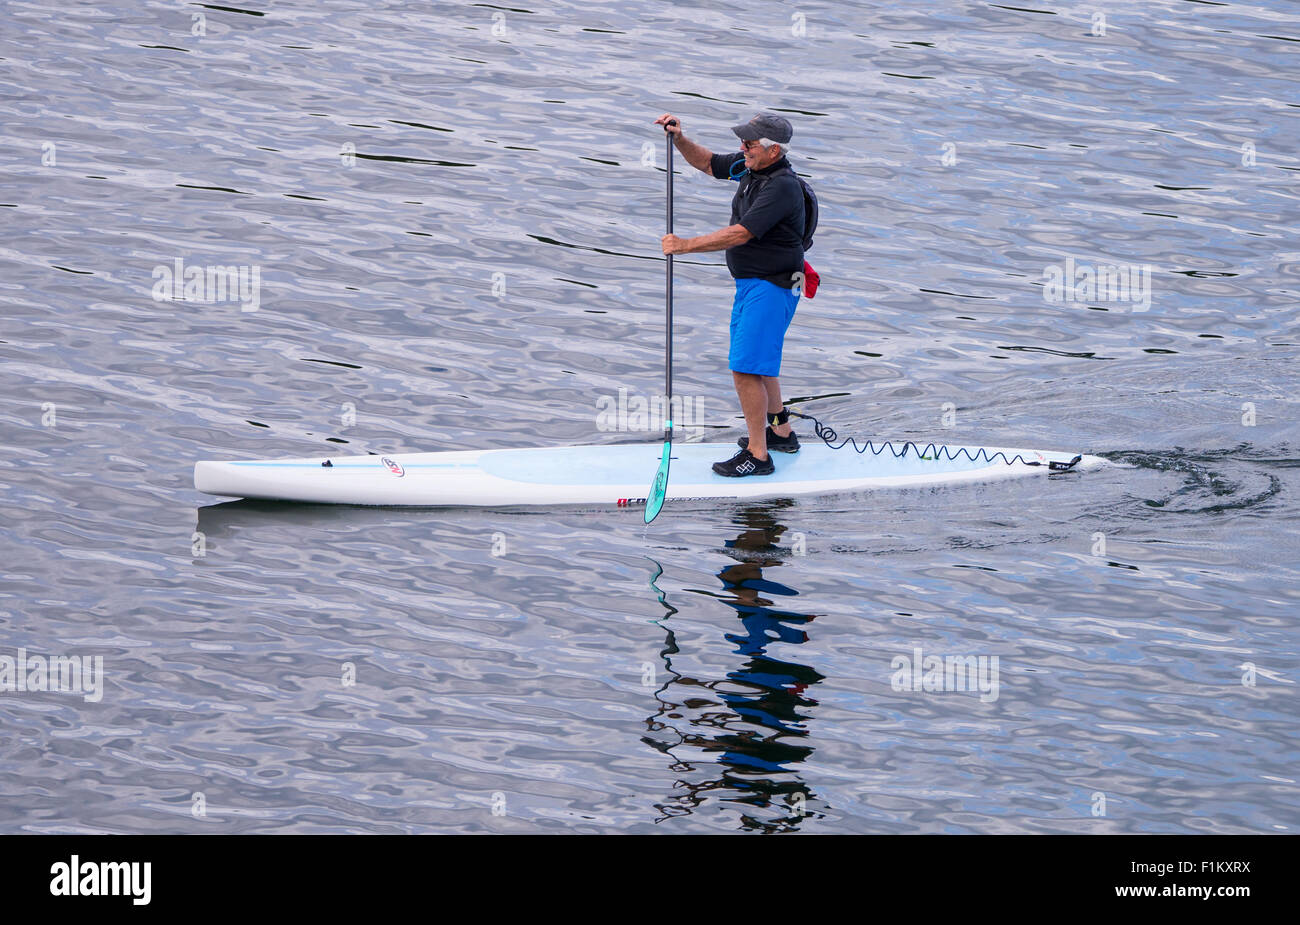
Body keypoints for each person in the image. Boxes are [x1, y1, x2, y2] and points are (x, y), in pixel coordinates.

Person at [656, 111, 805, 477]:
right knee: (760, 362)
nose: (743, 148)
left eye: (750, 143)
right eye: (744, 141)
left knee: (745, 368)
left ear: (774, 151)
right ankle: (780, 433)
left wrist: (686, 245)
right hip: (754, 284)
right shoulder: (750, 166)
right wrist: (679, 139)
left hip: (773, 286)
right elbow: (708, 163)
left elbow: (741, 233)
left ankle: (758, 456)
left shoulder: (782, 187)